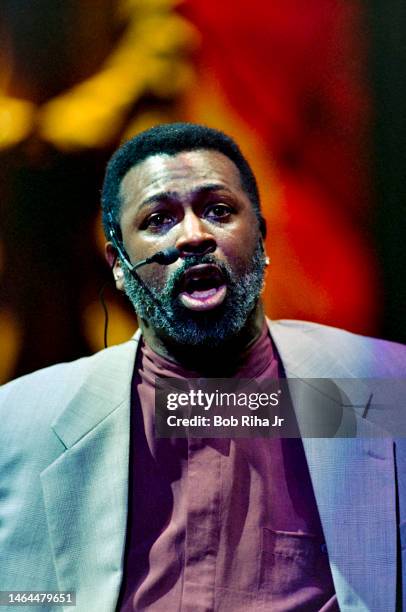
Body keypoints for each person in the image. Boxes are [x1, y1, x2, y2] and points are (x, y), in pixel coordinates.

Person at [0, 123, 405, 612]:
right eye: (158, 219)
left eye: (218, 211)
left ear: (261, 236)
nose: (194, 235)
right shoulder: (22, 424)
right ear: (118, 266)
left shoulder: (381, 388)